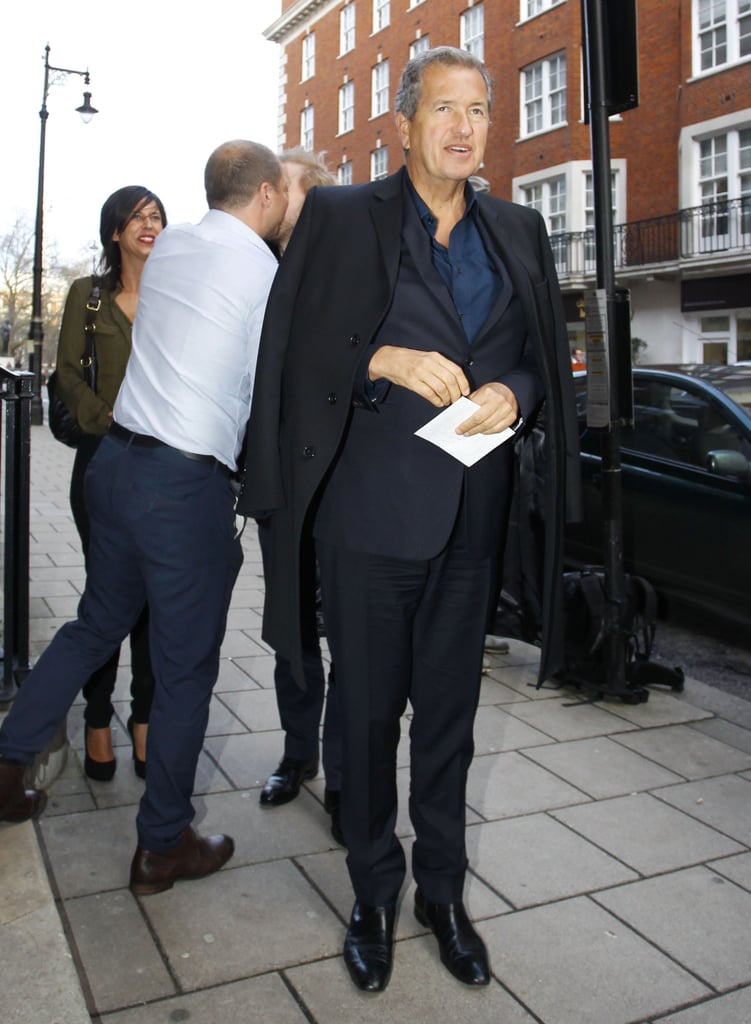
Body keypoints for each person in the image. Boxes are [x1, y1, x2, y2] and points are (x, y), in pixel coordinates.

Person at [238, 47, 580, 992]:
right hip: (368, 517)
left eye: (478, 108)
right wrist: (378, 360)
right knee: (364, 714)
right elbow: (291, 350)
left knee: (450, 723)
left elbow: (537, 352)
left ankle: (442, 892)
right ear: (402, 124)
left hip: (472, 515)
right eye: (443, 109)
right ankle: (370, 892)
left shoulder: (518, 228)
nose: (464, 126)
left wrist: (516, 391)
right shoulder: (344, 217)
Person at [0, 140, 288, 896]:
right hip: (179, 487)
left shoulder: (176, 248)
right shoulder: (263, 271)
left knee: (93, 626)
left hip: (115, 467)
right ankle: (162, 845)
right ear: (264, 194)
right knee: (186, 667)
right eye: (284, 194)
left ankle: (6, 763)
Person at [56, 186, 167, 781]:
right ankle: (98, 715)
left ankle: (144, 716)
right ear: (115, 232)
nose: (149, 225)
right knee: (106, 596)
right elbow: (66, 371)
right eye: (137, 218)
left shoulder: (177, 294)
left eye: (156, 217)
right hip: (102, 461)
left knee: (152, 599)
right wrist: (106, 419)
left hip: (160, 463)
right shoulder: (88, 297)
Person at [256, 149, 343, 843]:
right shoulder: (256, 269)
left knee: (350, 633)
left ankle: (346, 773)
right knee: (291, 629)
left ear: (309, 197)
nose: (265, 193)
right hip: (283, 486)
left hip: (344, 484)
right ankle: (297, 752)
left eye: (277, 184)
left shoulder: (349, 269)